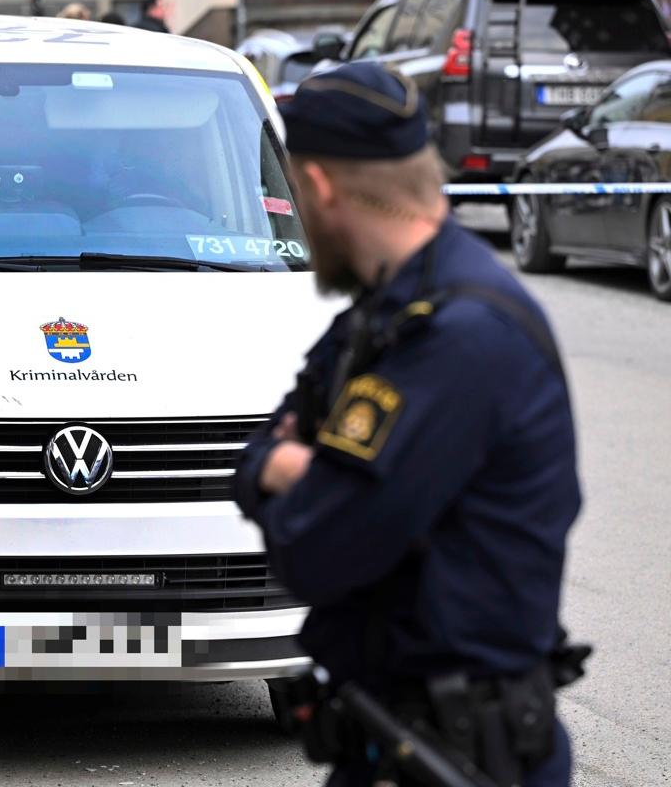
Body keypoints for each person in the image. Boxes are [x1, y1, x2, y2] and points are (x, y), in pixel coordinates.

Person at [233, 63, 583, 787]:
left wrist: (294, 471)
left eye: (293, 190)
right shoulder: (383, 314)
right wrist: (287, 468)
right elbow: (255, 457)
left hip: (461, 759)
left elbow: (315, 550)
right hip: (387, 736)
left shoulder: (459, 337)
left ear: (320, 187)